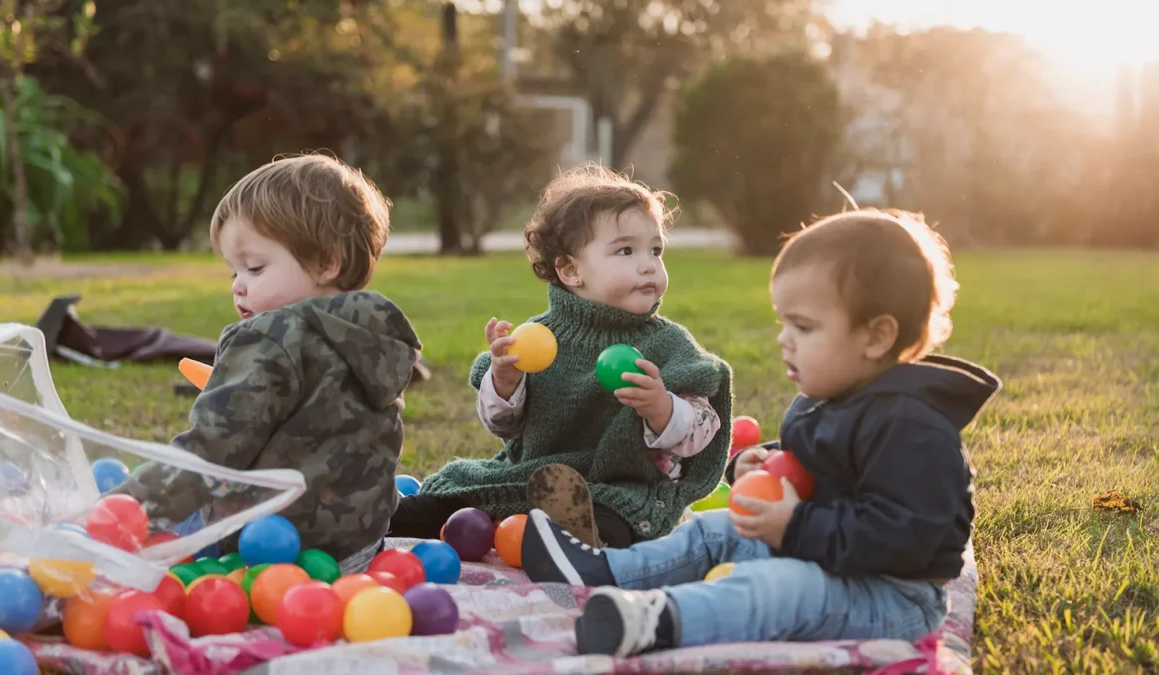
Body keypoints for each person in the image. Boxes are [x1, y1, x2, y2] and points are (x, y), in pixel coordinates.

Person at [519, 208, 1002, 656]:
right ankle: (604, 572)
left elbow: (908, 538)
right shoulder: (835, 397)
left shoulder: (915, 429)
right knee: (716, 530)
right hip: (822, 557)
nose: (782, 339)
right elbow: (820, 466)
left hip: (891, 597)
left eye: (804, 327)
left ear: (876, 336)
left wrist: (795, 525)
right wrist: (762, 463)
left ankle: (657, 622)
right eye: (783, 322)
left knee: (777, 590)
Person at [388, 164, 733, 548]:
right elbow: (503, 426)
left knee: (613, 526)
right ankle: (377, 521)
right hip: (524, 476)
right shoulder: (537, 339)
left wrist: (663, 408)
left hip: (616, 489)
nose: (648, 263)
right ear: (570, 270)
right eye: (625, 250)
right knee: (447, 504)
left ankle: (567, 544)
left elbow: (703, 431)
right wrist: (505, 382)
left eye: (656, 249)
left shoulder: (670, 346)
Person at [114, 154, 420, 570]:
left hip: (272, 550)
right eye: (233, 272)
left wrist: (126, 508)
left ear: (327, 262)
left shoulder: (269, 338)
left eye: (254, 268)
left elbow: (212, 451)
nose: (239, 287)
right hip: (357, 549)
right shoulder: (374, 333)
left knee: (152, 518)